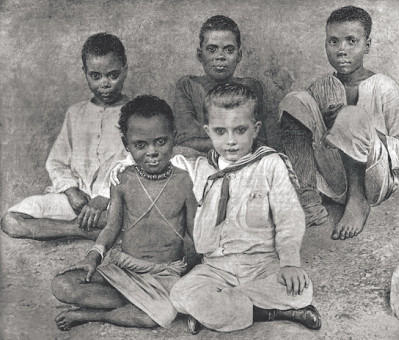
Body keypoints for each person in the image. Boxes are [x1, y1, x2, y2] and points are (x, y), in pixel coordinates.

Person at [169, 83, 321, 334]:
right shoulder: (201, 169)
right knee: (179, 292)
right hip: (216, 268)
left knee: (301, 289)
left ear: (255, 129)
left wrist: (290, 263)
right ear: (208, 131)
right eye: (220, 131)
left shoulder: (269, 164)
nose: (230, 141)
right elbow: (156, 158)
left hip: (261, 265)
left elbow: (289, 218)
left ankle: (217, 312)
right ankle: (268, 312)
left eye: (240, 130)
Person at [51, 95, 197, 331]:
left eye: (161, 142)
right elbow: (112, 227)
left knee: (159, 317)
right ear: (126, 144)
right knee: (62, 285)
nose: (152, 152)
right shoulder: (122, 181)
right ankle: (132, 303)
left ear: (174, 137)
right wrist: (93, 256)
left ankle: (94, 315)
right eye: (141, 145)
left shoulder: (183, 181)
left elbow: (195, 232)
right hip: (123, 271)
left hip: (165, 276)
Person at [279, 6, 399, 238]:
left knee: (351, 115)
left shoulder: (384, 87)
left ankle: (357, 201)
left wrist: (367, 133)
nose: (341, 50)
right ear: (325, 45)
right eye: (334, 42)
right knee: (294, 101)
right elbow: (310, 134)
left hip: (373, 179)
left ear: (367, 45)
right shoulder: (323, 86)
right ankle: (309, 198)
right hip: (333, 177)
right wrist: (330, 130)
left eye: (351, 41)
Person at [1, 33, 131, 240]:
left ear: (125, 70)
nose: (104, 84)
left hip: (113, 203)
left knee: (133, 220)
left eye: (113, 75)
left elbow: (134, 164)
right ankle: (80, 230)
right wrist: (71, 191)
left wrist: (104, 197)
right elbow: (57, 162)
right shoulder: (75, 113)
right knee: (11, 220)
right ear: (85, 73)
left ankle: (102, 226)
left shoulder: (136, 114)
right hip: (76, 202)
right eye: (95, 76)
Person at [174, 15, 267, 154]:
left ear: (239, 55)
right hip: (198, 163)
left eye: (229, 50)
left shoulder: (251, 87)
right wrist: (238, 140)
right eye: (212, 49)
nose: (220, 56)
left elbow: (259, 141)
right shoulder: (188, 86)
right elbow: (185, 143)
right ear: (200, 55)